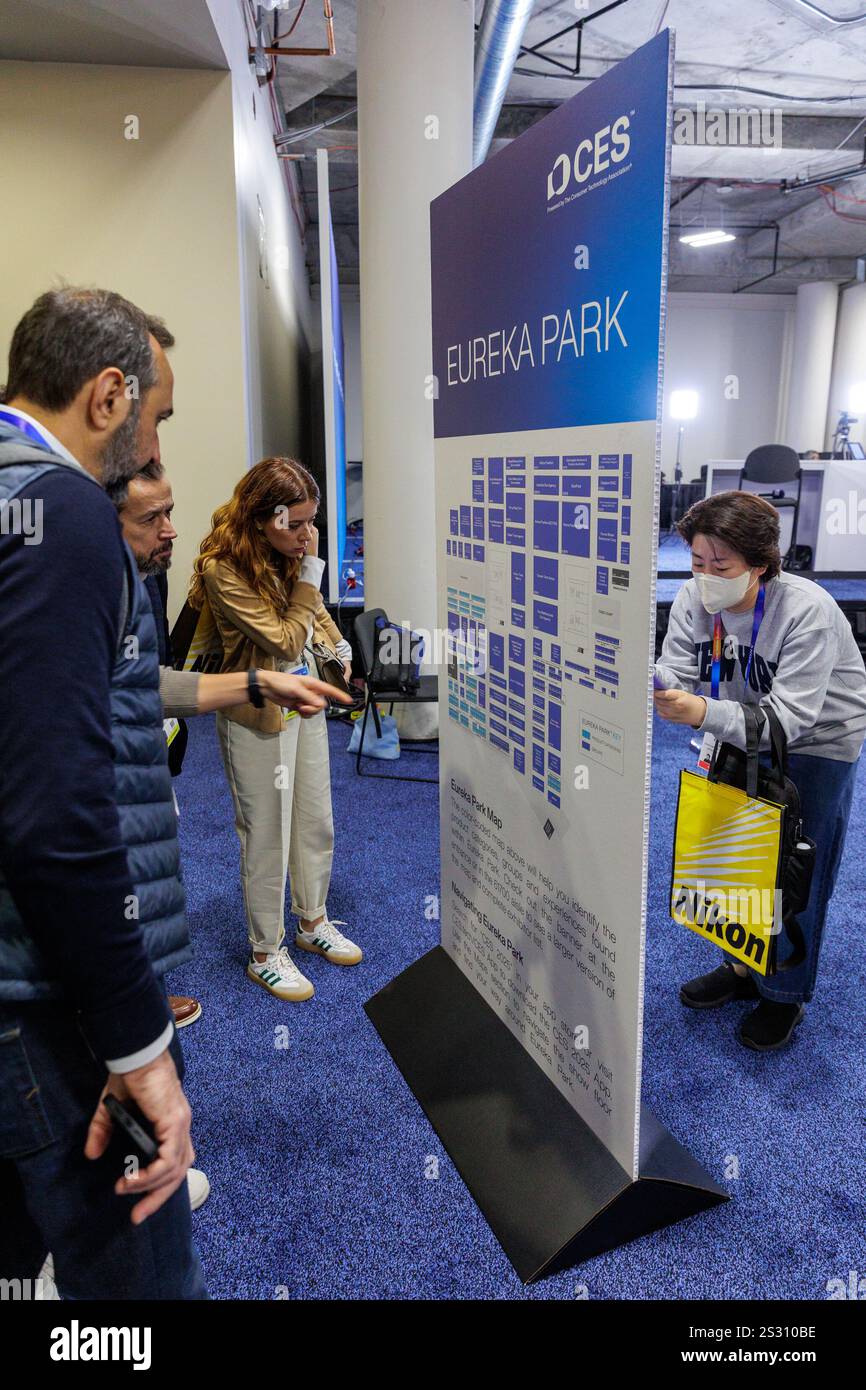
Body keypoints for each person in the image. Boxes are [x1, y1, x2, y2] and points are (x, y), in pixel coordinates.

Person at [654, 490, 866, 1051]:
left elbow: (790, 721)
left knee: (795, 869)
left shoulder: (809, 611)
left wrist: (699, 710)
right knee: (734, 854)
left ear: (760, 563)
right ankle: (743, 970)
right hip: (734, 721)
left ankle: (784, 996)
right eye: (697, 564)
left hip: (819, 741)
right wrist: (658, 682)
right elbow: (675, 665)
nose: (705, 578)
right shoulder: (694, 598)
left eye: (719, 566)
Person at [188, 457, 362, 1002]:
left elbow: (310, 622)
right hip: (254, 710)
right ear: (263, 517)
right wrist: (312, 576)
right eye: (297, 524)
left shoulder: (288, 549)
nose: (308, 535)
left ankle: (312, 922)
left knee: (315, 818)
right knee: (266, 832)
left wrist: (336, 642)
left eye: (313, 522)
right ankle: (265, 952)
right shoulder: (223, 568)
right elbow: (285, 639)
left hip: (303, 701)